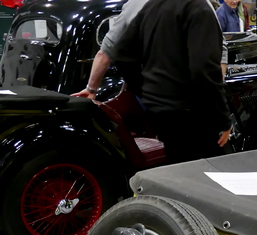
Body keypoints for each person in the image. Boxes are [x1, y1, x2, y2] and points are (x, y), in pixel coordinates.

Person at [110, 0, 231, 163]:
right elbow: (204, 70)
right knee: (207, 177)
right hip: (192, 115)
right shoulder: (199, 9)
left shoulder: (152, 6)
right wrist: (222, 118)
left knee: (179, 172)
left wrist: (146, 92)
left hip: (160, 112)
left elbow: (121, 55)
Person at [72, 0, 229, 100]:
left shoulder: (135, 4)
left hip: (154, 93)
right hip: (189, 93)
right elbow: (219, 50)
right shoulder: (200, 3)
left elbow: (105, 52)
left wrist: (91, 89)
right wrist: (216, 96)